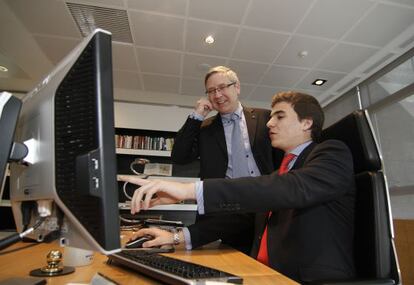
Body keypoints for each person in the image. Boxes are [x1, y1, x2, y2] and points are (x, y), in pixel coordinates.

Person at [119, 91, 356, 283]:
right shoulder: (280, 174)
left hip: (306, 279)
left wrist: (189, 189)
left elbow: (289, 188)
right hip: (261, 273)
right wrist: (176, 237)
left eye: (280, 117)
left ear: (307, 123)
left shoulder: (331, 153)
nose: (270, 123)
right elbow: (240, 219)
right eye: (271, 117)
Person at [170, 66, 282, 254]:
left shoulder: (265, 118)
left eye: (222, 87)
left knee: (267, 261)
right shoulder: (205, 128)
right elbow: (179, 157)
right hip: (225, 211)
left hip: (267, 204)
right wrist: (197, 115)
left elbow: (281, 159)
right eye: (211, 91)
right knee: (228, 262)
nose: (217, 94)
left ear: (237, 87)